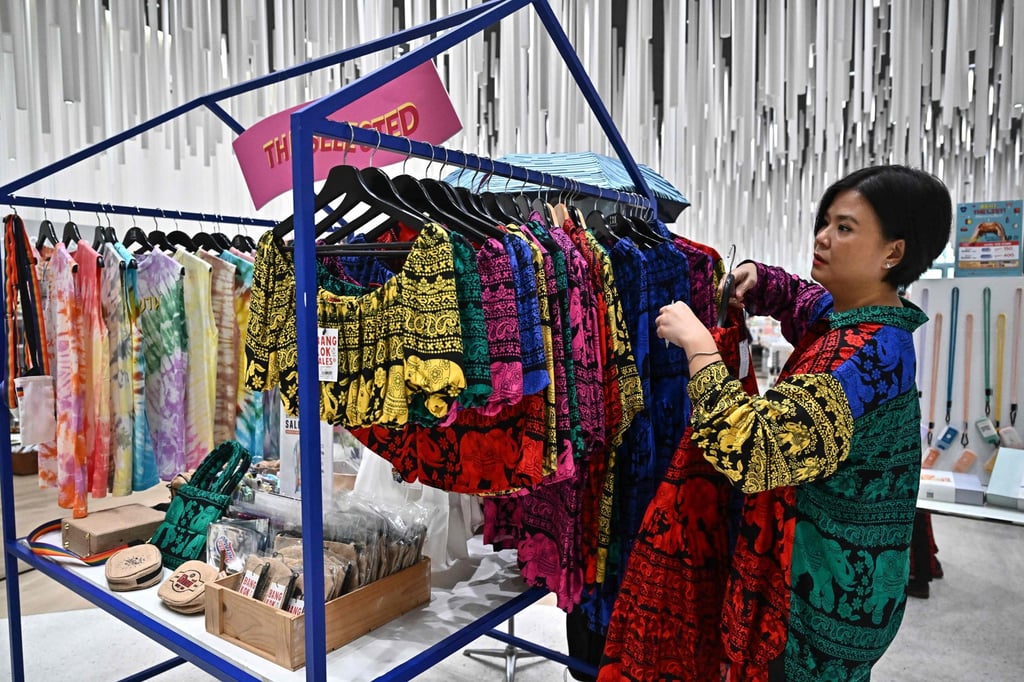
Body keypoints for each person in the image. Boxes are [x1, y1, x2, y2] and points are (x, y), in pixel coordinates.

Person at [654, 165, 951, 680]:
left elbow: (756, 453)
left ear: (893, 253)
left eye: (844, 227)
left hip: (825, 603)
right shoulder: (864, 317)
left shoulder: (865, 354)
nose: (822, 237)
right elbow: (806, 302)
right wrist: (760, 278)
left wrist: (700, 347)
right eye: (824, 222)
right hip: (841, 587)